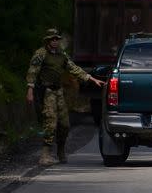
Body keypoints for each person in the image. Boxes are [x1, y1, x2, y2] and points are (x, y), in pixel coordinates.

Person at [26, 28, 105, 166]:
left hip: (59, 92)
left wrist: (91, 79)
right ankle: (45, 154)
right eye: (52, 39)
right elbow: (32, 72)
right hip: (47, 91)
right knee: (50, 121)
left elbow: (74, 68)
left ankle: (61, 151)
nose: (55, 41)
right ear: (47, 41)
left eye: (57, 39)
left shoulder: (62, 55)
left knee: (64, 124)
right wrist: (30, 90)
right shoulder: (41, 54)